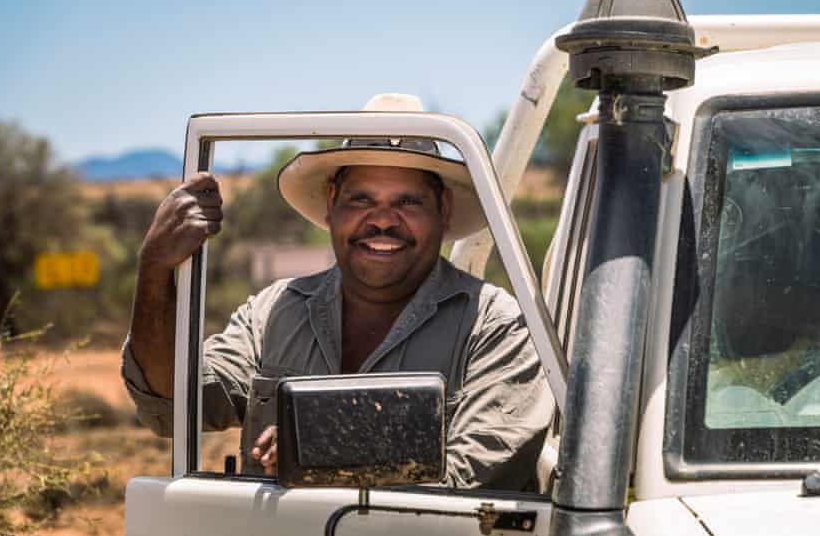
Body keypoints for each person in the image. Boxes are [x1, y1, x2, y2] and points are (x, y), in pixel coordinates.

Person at [122, 93, 553, 490]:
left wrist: (324, 449)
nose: (382, 221)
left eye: (407, 202)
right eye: (361, 199)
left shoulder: (495, 326)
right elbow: (174, 400)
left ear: (443, 211)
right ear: (331, 204)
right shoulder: (273, 313)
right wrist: (156, 269)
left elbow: (476, 475)